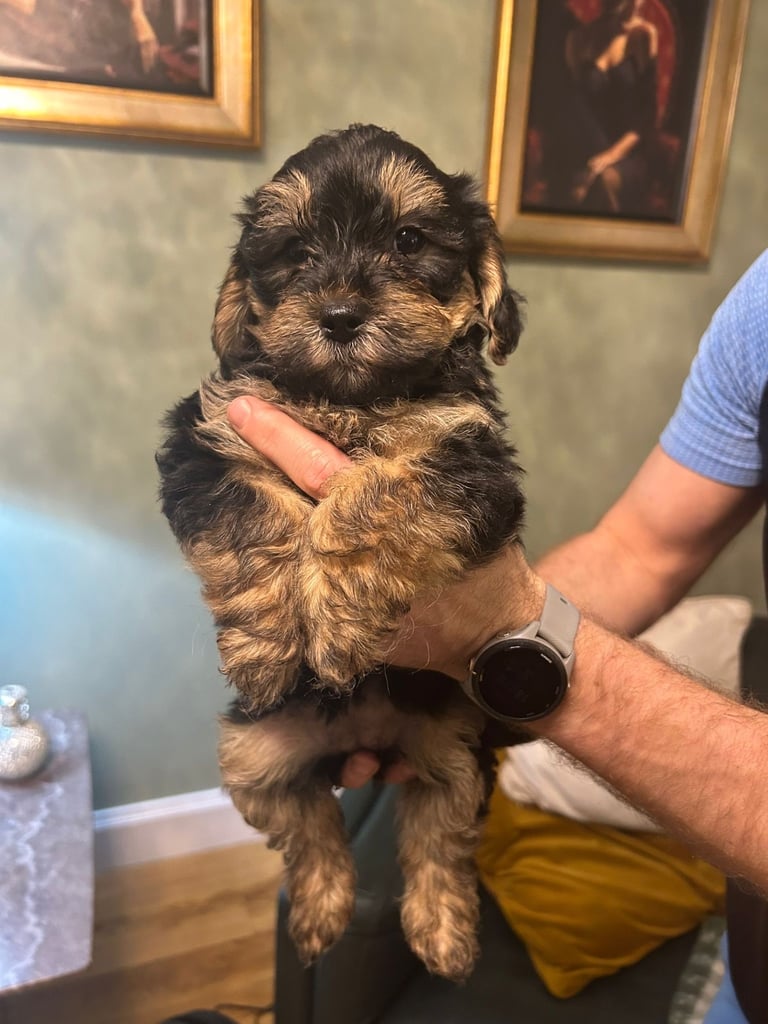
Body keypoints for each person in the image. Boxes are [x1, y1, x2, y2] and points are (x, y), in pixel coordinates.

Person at [224, 249, 768, 1022]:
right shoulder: (762, 303)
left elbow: (495, 586)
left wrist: (495, 638)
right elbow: (640, 550)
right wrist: (435, 669)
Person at [528, 0, 660, 216]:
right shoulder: (579, 38)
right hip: (586, 145)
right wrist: (589, 159)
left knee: (604, 182)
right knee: (575, 184)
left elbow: (646, 119)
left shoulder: (644, 36)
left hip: (628, 152)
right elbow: (575, 108)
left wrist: (610, 156)